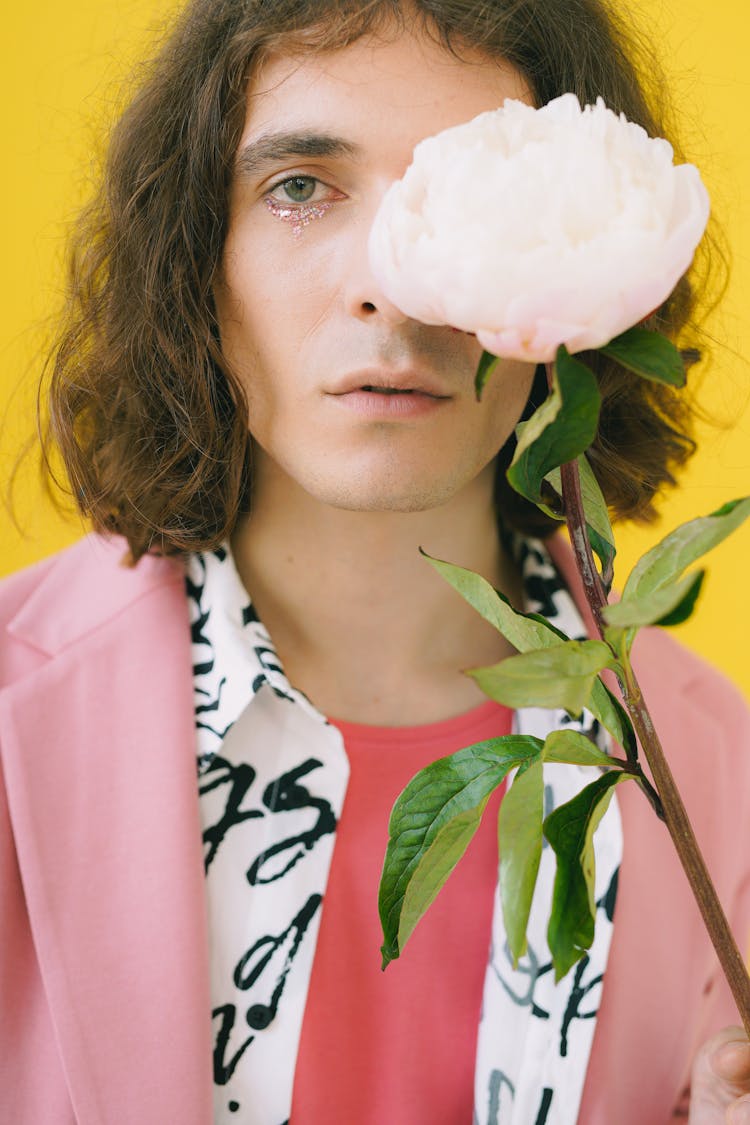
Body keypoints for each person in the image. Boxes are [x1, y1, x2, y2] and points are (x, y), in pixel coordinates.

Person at [1, 0, 749, 1122]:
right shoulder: (19, 711)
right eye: (300, 188)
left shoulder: (722, 784)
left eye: (462, 198)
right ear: (194, 259)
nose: (392, 288)